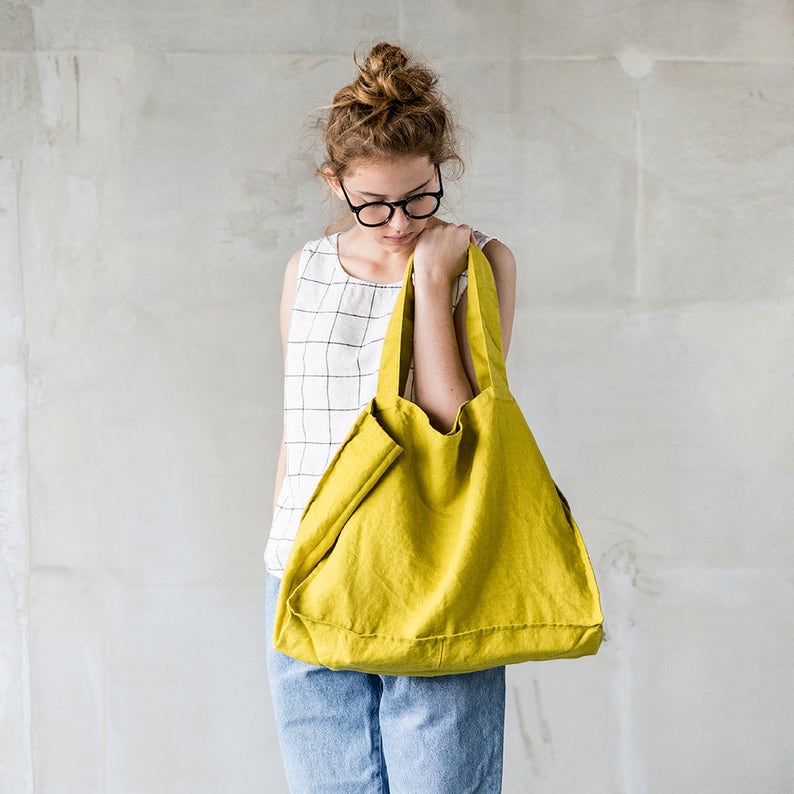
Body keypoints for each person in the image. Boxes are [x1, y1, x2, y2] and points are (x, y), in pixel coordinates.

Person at [265, 41, 517, 793]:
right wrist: (276, 553)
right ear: (334, 184)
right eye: (373, 203)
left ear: (443, 169)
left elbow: (450, 419)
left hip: (432, 565)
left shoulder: (480, 262)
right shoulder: (304, 268)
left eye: (419, 197)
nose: (399, 222)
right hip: (306, 565)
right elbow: (297, 422)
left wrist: (434, 280)